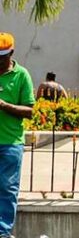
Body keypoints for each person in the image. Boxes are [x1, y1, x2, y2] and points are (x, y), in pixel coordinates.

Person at [0, 33, 33, 238]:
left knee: (7, 187)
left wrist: (4, 105)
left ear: (11, 53)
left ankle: (2, 232)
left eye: (2, 57)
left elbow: (29, 111)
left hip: (11, 143)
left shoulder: (22, 75)